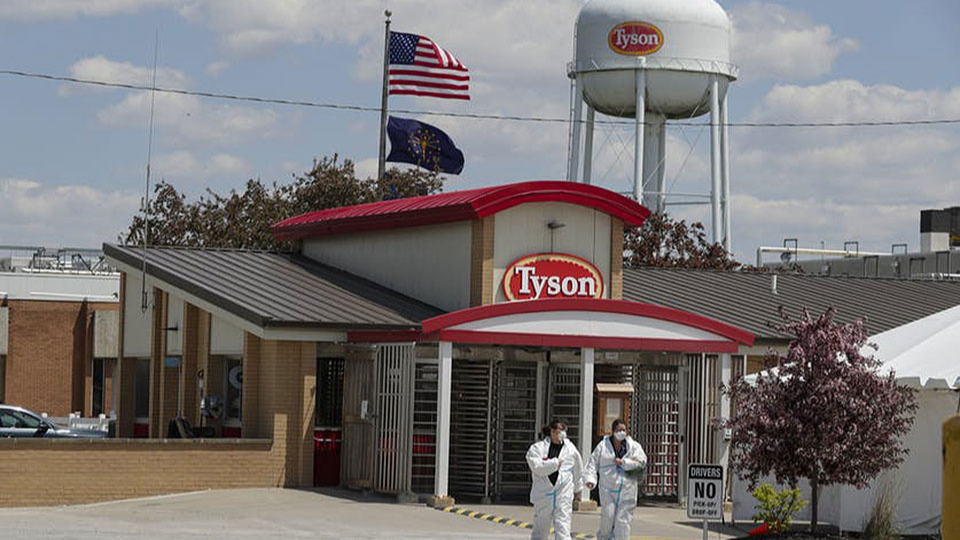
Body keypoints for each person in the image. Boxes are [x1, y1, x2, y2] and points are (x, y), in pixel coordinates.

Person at [584, 419, 648, 540]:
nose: (622, 432)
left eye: (624, 430)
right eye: (619, 430)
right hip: (608, 489)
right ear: (613, 431)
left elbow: (642, 462)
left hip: (627, 490)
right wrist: (590, 479)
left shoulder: (633, 446)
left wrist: (625, 463)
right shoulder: (603, 446)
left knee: (623, 522)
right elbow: (592, 463)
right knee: (608, 518)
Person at [526, 418, 583, 540]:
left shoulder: (570, 449)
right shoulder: (537, 448)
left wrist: (578, 489)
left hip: (563, 494)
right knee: (540, 529)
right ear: (551, 432)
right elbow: (537, 467)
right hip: (543, 494)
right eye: (557, 432)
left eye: (562, 432)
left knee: (563, 527)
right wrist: (555, 463)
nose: (559, 435)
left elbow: (578, 469)